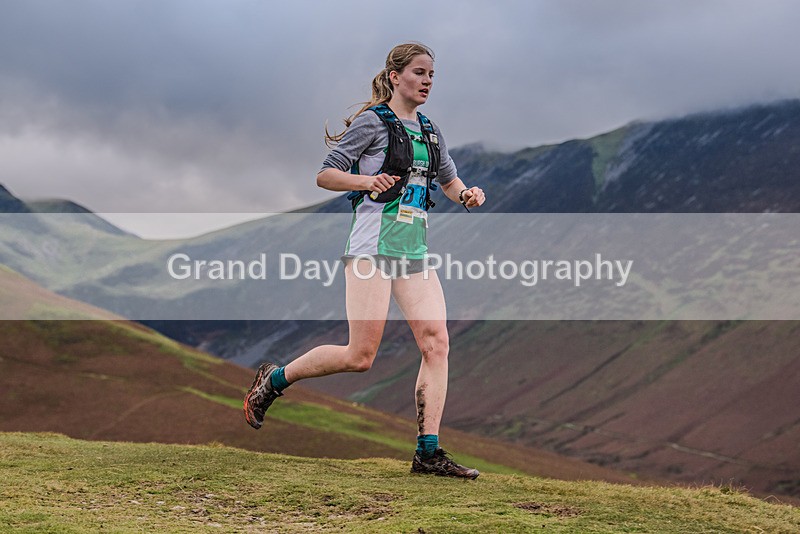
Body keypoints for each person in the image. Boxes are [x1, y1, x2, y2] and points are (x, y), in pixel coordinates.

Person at [244, 42, 486, 479]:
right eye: (419, 72)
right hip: (371, 250)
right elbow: (325, 173)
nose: (428, 80)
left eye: (432, 74)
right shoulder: (373, 123)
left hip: (413, 252)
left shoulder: (431, 131)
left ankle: (428, 453)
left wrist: (467, 194)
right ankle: (275, 380)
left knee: (437, 343)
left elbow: (449, 182)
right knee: (360, 356)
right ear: (395, 76)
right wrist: (366, 179)